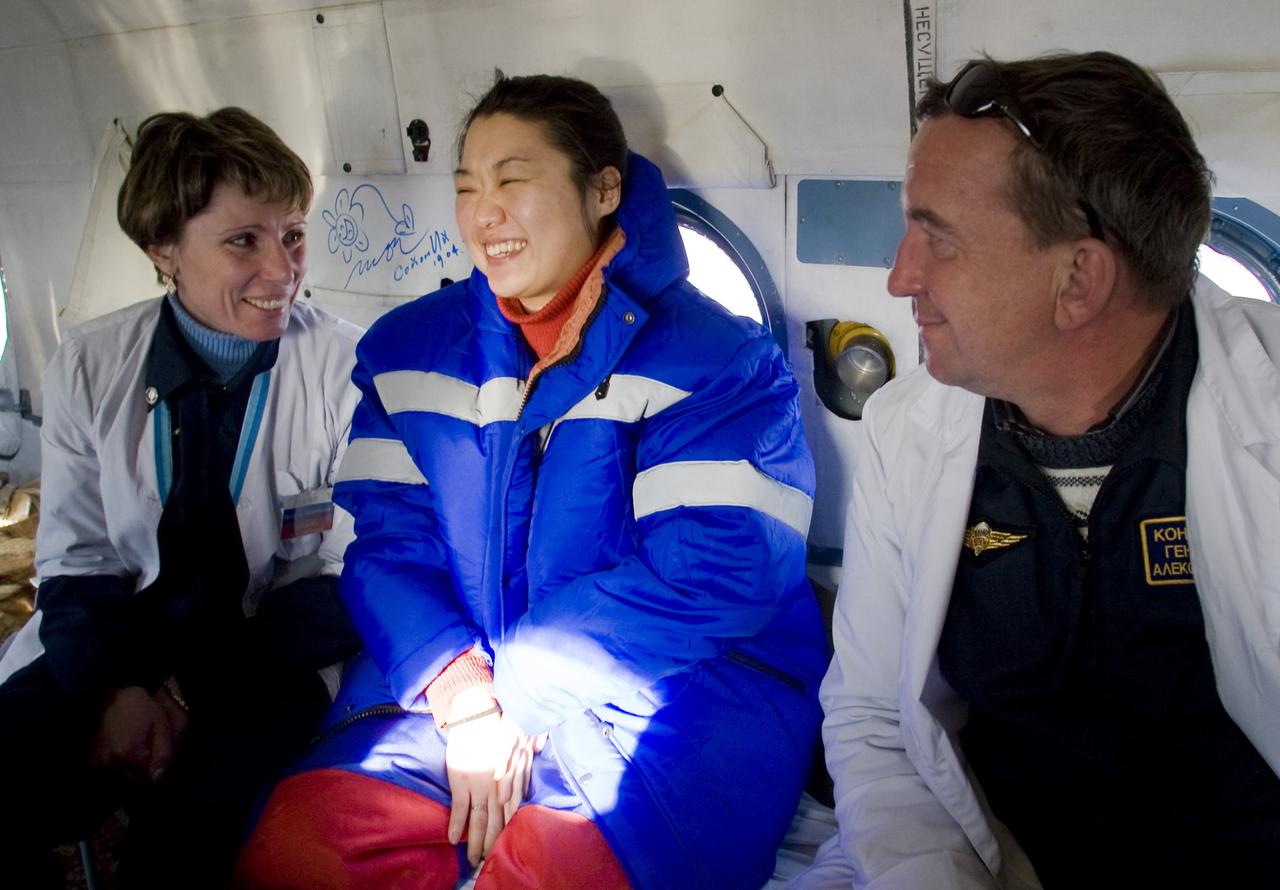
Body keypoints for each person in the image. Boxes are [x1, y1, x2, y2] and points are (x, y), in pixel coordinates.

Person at [236, 72, 826, 890]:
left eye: (513, 181)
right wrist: (462, 692)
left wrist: (517, 696)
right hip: (454, 676)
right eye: (468, 187)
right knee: (300, 858)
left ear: (604, 188)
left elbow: (716, 573)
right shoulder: (410, 350)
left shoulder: (719, 358)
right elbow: (389, 547)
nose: (485, 213)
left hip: (670, 686)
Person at [802, 51, 1280, 889]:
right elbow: (876, 717)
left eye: (936, 236)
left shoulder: (1264, 412)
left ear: (1078, 281)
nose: (899, 275)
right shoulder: (904, 433)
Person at [0, 107, 364, 888]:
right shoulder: (90, 366)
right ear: (163, 249)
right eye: (244, 240)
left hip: (268, 656)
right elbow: (78, 560)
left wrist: (181, 692)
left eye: (292, 233)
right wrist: (114, 692)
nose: (283, 269)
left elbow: (349, 577)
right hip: (116, 649)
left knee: (188, 841)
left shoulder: (343, 368)